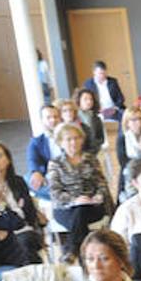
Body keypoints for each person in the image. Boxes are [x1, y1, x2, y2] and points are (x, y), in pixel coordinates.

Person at [0, 141, 44, 263]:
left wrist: (8, 214)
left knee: (25, 242)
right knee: (21, 247)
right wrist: (14, 210)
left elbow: (28, 214)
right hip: (2, 235)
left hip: (26, 230)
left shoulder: (18, 181)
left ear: (8, 160)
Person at [47, 121, 110, 260]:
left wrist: (98, 196)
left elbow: (102, 184)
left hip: (92, 206)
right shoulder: (55, 163)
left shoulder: (91, 159)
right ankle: (86, 253)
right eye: (68, 139)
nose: (73, 142)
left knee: (81, 211)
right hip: (65, 209)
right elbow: (54, 192)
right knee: (79, 211)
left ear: (82, 140)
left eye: (76, 138)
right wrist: (74, 201)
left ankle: (72, 250)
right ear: (60, 142)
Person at [26, 103, 61, 199]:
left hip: (68, 173)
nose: (53, 120)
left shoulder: (68, 136)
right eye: (48, 117)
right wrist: (36, 172)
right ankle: (61, 195)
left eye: (56, 117)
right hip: (49, 175)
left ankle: (58, 195)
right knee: (27, 179)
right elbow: (32, 159)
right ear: (42, 120)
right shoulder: (37, 141)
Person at [74, 88, 106, 157]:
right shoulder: (74, 117)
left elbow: (101, 138)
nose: (89, 102)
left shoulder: (96, 118)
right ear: (79, 101)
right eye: (85, 99)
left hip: (95, 152)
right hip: (78, 152)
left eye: (91, 99)